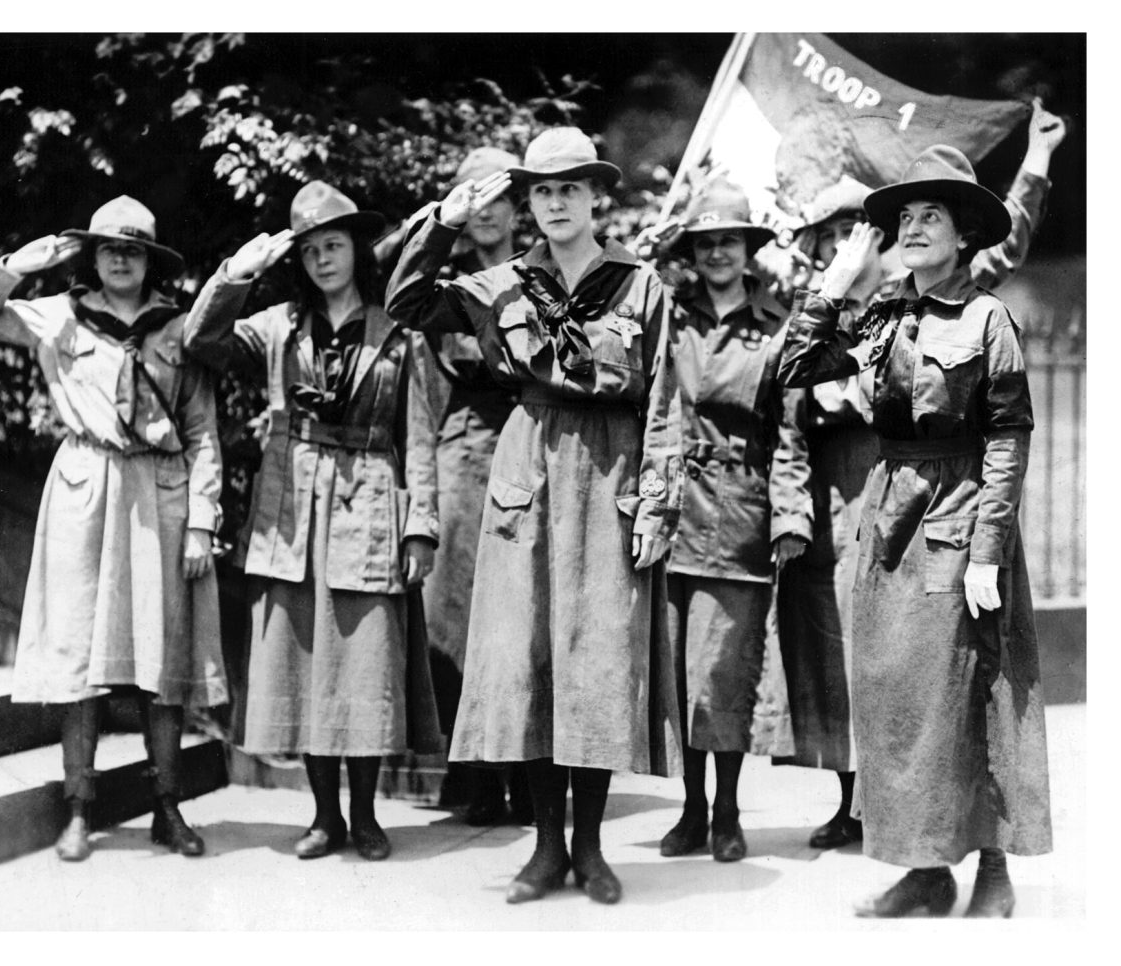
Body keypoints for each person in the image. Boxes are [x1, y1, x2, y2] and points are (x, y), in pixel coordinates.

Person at [386, 126, 682, 904]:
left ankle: (590, 849)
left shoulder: (641, 285)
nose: (555, 203)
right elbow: (408, 303)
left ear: (595, 198)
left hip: (609, 474)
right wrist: (445, 222)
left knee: (597, 666)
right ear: (530, 203)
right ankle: (544, 850)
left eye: (568, 189)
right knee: (529, 662)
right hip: (527, 474)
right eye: (542, 191)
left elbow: (664, 404)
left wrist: (656, 503)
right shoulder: (501, 284)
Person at [776, 99, 1067, 852]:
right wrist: (835, 285)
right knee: (892, 692)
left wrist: (986, 549)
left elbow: (1008, 437)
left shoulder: (984, 320)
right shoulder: (879, 312)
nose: (910, 230)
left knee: (963, 693)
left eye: (929, 217)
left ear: (964, 233)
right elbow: (796, 370)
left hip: (958, 513)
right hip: (890, 518)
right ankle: (917, 860)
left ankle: (985, 862)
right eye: (903, 218)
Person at [0, 196, 228, 861]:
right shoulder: (59, 317)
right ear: (92, 256)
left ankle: (167, 807)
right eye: (109, 247)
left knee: (159, 656)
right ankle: (79, 807)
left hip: (159, 493)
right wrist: (20, 265)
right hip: (84, 490)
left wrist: (202, 522)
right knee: (79, 656)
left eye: (133, 249)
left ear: (150, 259)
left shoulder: (178, 327)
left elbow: (202, 432)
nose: (120, 258)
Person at [182, 180, 443, 862]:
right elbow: (199, 341)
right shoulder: (275, 327)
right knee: (302, 664)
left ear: (357, 248)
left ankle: (364, 815)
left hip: (371, 499)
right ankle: (324, 816)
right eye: (310, 250)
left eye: (335, 245)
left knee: (363, 666)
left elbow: (419, 436)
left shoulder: (398, 334)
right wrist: (234, 276)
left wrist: (420, 526)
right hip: (292, 507)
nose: (324, 259)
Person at [654, 180, 812, 863]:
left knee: (724, 671)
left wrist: (789, 516)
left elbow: (791, 435)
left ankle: (724, 812)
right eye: (706, 241)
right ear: (692, 251)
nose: (718, 252)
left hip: (740, 515)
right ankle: (689, 811)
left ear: (749, 250)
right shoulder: (667, 318)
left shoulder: (777, 328)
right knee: (678, 675)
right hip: (671, 511)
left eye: (730, 240)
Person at [414, 146, 532, 826]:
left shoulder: (543, 281)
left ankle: (525, 772)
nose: (486, 211)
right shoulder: (448, 294)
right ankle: (474, 773)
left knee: (522, 621)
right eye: (473, 197)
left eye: (499, 198)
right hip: (463, 459)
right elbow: (425, 402)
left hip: (531, 450)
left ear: (519, 208)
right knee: (454, 621)